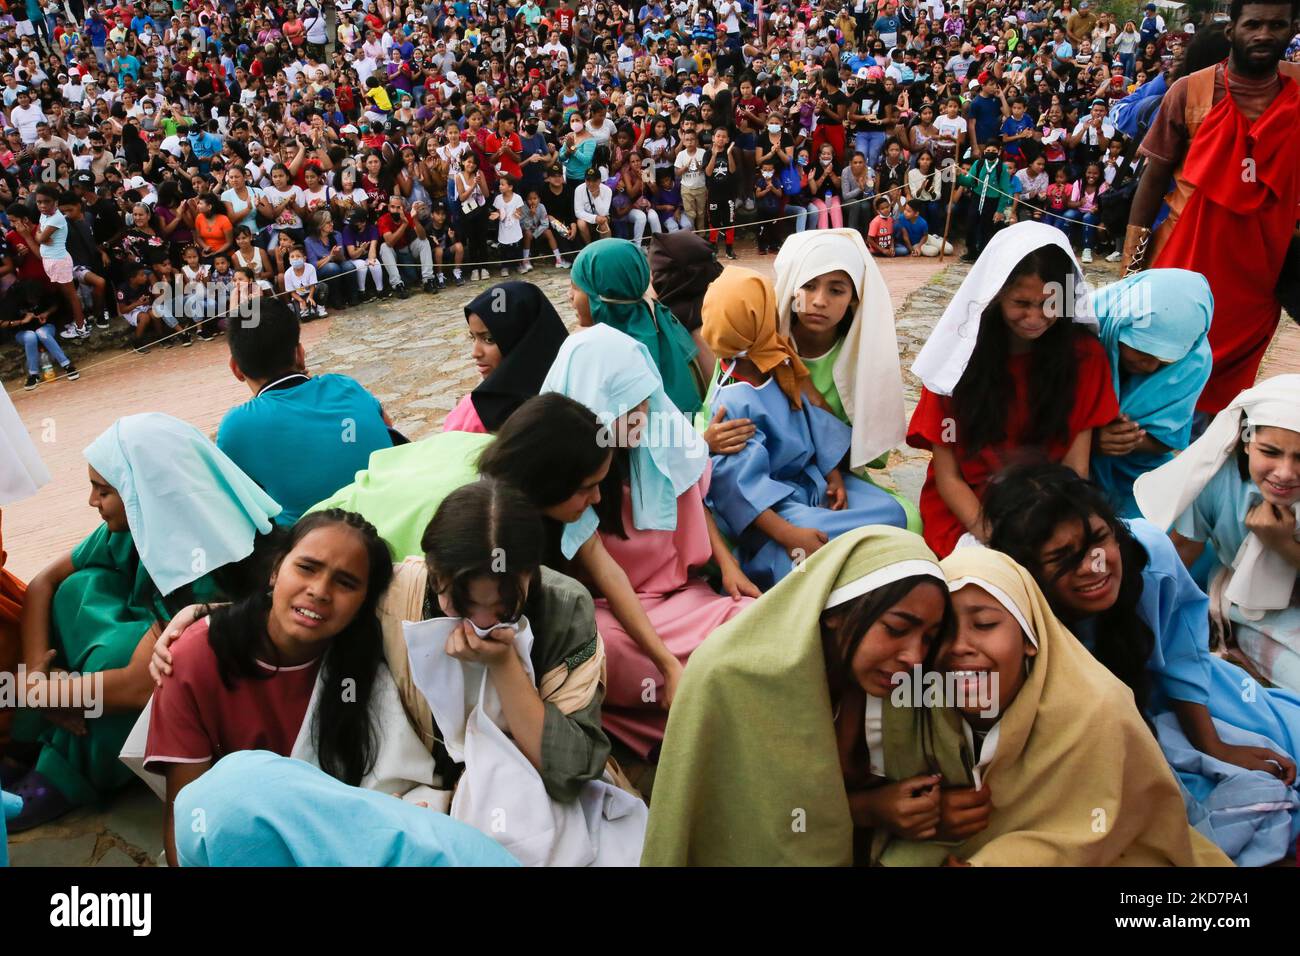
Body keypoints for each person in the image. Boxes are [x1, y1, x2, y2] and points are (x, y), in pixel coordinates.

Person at [984, 463, 1300, 865]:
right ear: (1028, 571)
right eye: (1064, 558)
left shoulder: (1150, 554)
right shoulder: (1005, 604)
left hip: (1177, 695)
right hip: (1082, 734)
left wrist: (1213, 744)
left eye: (1099, 539)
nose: (1094, 566)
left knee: (1282, 740)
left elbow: (1182, 653)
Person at [6, 414, 281, 832]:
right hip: (123, 656)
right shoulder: (136, 524)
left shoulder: (213, 562)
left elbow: (137, 686)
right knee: (78, 588)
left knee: (144, 674)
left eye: (104, 491)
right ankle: (43, 736)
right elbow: (44, 582)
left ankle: (62, 773)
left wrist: (51, 693)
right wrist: (34, 682)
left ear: (145, 491)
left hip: (191, 685)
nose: (92, 502)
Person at [876, 544, 1231, 867]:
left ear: (1030, 637)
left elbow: (1104, 823)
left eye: (984, 624)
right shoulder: (916, 701)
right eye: (942, 630)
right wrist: (923, 814)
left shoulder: (1097, 710)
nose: (959, 646)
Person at [643, 526, 955, 865]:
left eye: (928, 638)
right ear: (834, 612)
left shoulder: (898, 685)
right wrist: (869, 809)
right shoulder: (731, 677)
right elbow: (759, 826)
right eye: (896, 628)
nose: (915, 657)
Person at [537, 324, 757, 757]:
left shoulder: (654, 430)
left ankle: (707, 721)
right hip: (613, 608)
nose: (642, 412)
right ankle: (685, 730)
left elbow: (690, 491)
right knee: (603, 649)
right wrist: (665, 663)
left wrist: (729, 567)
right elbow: (607, 574)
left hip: (680, 596)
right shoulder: (572, 472)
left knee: (752, 622)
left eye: (644, 399)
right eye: (627, 406)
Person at [1125, 1, 1300, 415]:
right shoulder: (1189, 91)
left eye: (1276, 25)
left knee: (1225, 397)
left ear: (1292, 29)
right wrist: (1130, 272)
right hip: (1184, 259)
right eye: (1253, 24)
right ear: (1231, 31)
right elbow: (1152, 180)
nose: (1263, 34)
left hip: (1257, 275)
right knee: (1156, 379)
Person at [907, 222, 1119, 557]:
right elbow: (948, 477)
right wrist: (992, 535)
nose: (1034, 317)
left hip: (1049, 508)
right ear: (995, 295)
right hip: (969, 510)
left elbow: (1075, 469)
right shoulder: (955, 360)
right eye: (1021, 302)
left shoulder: (1084, 358)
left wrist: (1048, 530)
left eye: (1049, 304)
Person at [699, 267, 909, 588]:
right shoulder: (733, 401)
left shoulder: (778, 360)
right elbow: (739, 486)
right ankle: (775, 554)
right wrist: (790, 534)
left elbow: (812, 420)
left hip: (810, 481)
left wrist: (833, 473)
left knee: (891, 511)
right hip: (774, 508)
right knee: (801, 552)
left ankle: (821, 545)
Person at [1135, 375, 1300, 694]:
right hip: (1249, 607)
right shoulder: (1215, 481)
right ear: (1247, 440)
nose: (1284, 472)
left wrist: (1282, 545)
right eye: (1270, 451)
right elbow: (1181, 551)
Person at [771, 228, 919, 530]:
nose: (819, 301)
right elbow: (716, 417)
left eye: (836, 290)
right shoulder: (763, 346)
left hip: (839, 478)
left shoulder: (863, 360)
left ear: (854, 299)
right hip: (771, 476)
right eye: (808, 286)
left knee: (907, 519)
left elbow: (868, 455)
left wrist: (817, 411)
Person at [216, 298, 394, 527]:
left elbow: (232, 504)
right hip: (390, 521)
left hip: (315, 550)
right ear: (299, 354)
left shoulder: (237, 426)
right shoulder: (346, 386)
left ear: (236, 368)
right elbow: (389, 430)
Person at [1091, 270, 1213, 518]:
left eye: (1167, 361)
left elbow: (1166, 438)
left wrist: (1125, 439)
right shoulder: (1085, 327)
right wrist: (1088, 438)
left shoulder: (1193, 361)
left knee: (1172, 529)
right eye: (1142, 351)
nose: (1150, 367)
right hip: (1061, 452)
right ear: (1120, 325)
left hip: (1134, 469)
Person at [569, 238, 700, 416]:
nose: (570, 296)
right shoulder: (663, 326)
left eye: (576, 288)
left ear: (602, 295)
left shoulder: (602, 357)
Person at [442, 282, 569, 435]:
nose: (475, 352)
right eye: (472, 337)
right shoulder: (574, 386)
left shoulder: (476, 413)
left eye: (489, 339)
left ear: (523, 339)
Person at [1, 279, 80, 390]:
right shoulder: (12, 300)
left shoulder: (41, 292)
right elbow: (2, 323)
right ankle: (34, 374)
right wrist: (22, 321)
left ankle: (67, 365)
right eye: (32, 299)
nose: (34, 301)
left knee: (41, 333)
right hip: (22, 331)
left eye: (36, 299)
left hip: (44, 327)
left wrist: (46, 313)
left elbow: (55, 305)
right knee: (30, 336)